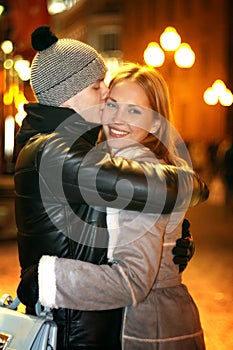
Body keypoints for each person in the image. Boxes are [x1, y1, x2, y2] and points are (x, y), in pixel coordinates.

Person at [15, 27, 208, 350]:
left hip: (135, 327)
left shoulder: (83, 149)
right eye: (98, 89)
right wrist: (192, 185)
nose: (107, 101)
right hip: (81, 327)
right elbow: (149, 190)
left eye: (134, 110)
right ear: (70, 92)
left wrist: (173, 236)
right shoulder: (60, 152)